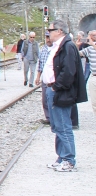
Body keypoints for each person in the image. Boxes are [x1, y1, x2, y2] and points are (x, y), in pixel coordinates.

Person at [42, 20, 77, 171]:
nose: (48, 32)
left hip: (60, 91)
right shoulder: (58, 46)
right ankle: (61, 157)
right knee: (57, 126)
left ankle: (69, 160)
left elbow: (68, 71)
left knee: (63, 125)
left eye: (50, 30)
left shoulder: (67, 46)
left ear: (60, 31)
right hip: (52, 89)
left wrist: (57, 87)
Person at [38, 32, 53, 124]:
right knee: (45, 100)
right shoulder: (43, 49)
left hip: (52, 78)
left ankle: (53, 118)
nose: (48, 39)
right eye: (47, 37)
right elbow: (40, 64)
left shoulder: (56, 49)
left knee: (51, 98)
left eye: (49, 37)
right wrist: (38, 77)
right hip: (44, 78)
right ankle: (48, 118)